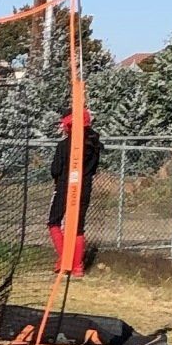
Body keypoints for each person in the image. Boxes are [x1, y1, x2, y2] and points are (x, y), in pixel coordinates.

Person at [49, 105, 102, 273]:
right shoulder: (94, 145)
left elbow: (55, 170)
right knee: (78, 225)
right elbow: (93, 169)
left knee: (54, 221)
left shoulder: (65, 145)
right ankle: (77, 266)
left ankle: (66, 260)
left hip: (65, 186)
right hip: (85, 186)